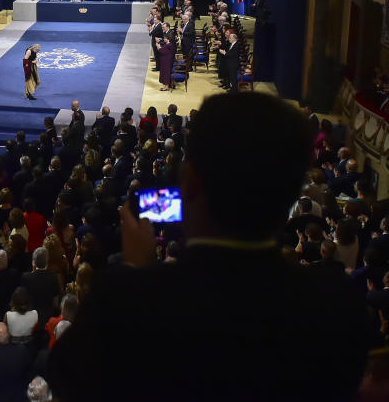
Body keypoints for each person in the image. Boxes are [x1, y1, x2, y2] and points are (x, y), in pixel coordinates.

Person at [48, 93, 371, 402]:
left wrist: (136, 270)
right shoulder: (336, 305)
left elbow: (66, 377)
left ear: (188, 182)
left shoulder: (128, 297)